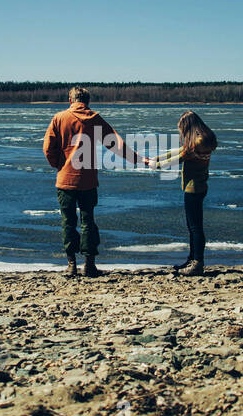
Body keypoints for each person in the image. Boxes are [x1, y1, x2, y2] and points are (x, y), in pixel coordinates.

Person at [42, 86, 146, 277]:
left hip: (65, 179)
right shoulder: (95, 119)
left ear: (71, 100)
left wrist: (59, 165)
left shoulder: (59, 118)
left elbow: (48, 148)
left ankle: (71, 264)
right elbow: (116, 145)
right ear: (87, 101)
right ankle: (89, 264)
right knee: (88, 221)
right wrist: (139, 159)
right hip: (88, 180)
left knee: (68, 222)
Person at [149, 110, 217, 275]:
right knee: (193, 227)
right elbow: (178, 152)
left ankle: (197, 262)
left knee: (195, 227)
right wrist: (157, 158)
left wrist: (155, 165)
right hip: (200, 187)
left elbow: (177, 158)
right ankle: (192, 258)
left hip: (193, 189)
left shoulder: (197, 144)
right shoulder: (205, 139)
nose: (181, 133)